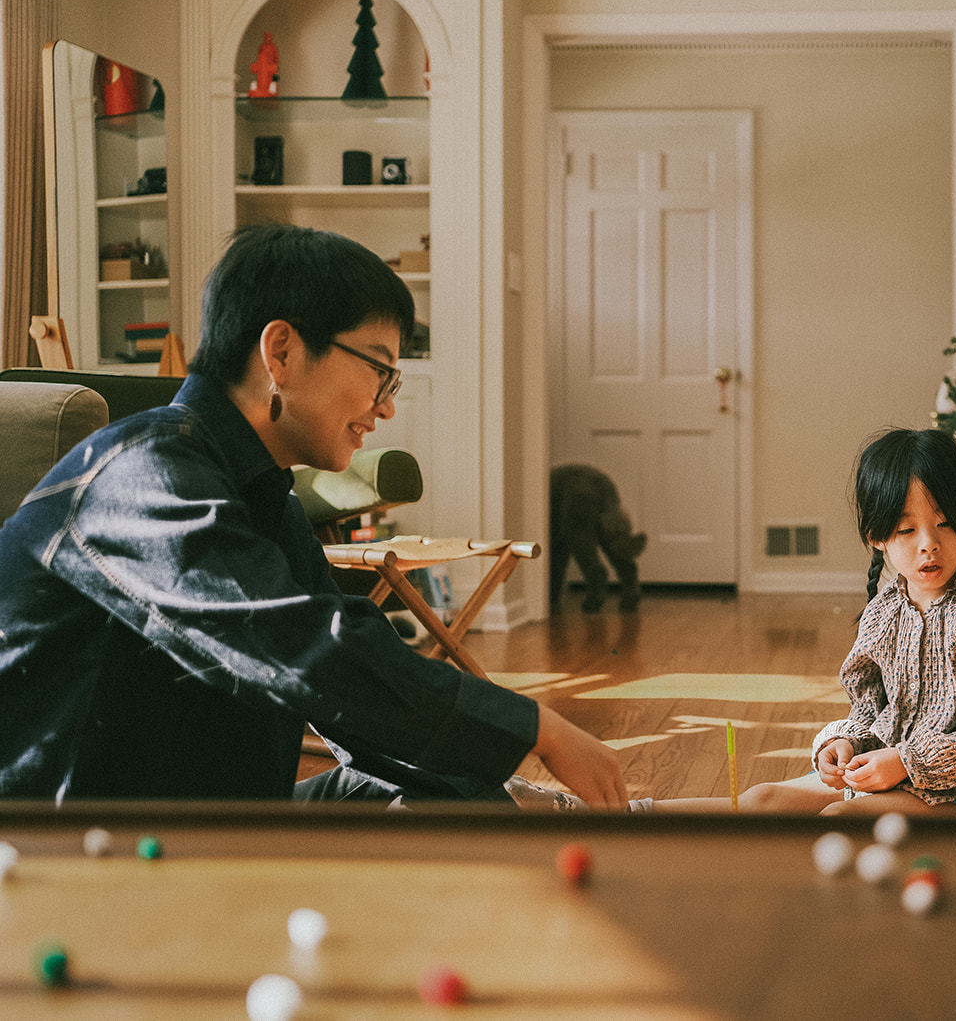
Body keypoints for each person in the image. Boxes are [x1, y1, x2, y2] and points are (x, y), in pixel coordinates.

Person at [0, 224, 628, 809]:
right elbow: (302, 648)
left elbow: (353, 688)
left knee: (438, 798)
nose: (385, 407)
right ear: (282, 352)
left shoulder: (268, 501)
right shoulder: (143, 473)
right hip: (69, 843)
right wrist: (536, 729)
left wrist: (506, 793)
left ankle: (578, 818)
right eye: (380, 371)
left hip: (215, 817)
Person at [659, 428, 956, 817]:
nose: (929, 543)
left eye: (944, 523)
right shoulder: (883, 611)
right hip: (892, 776)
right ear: (877, 536)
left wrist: (906, 761)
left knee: (840, 820)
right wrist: (846, 743)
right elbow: (868, 705)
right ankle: (634, 813)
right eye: (907, 530)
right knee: (763, 799)